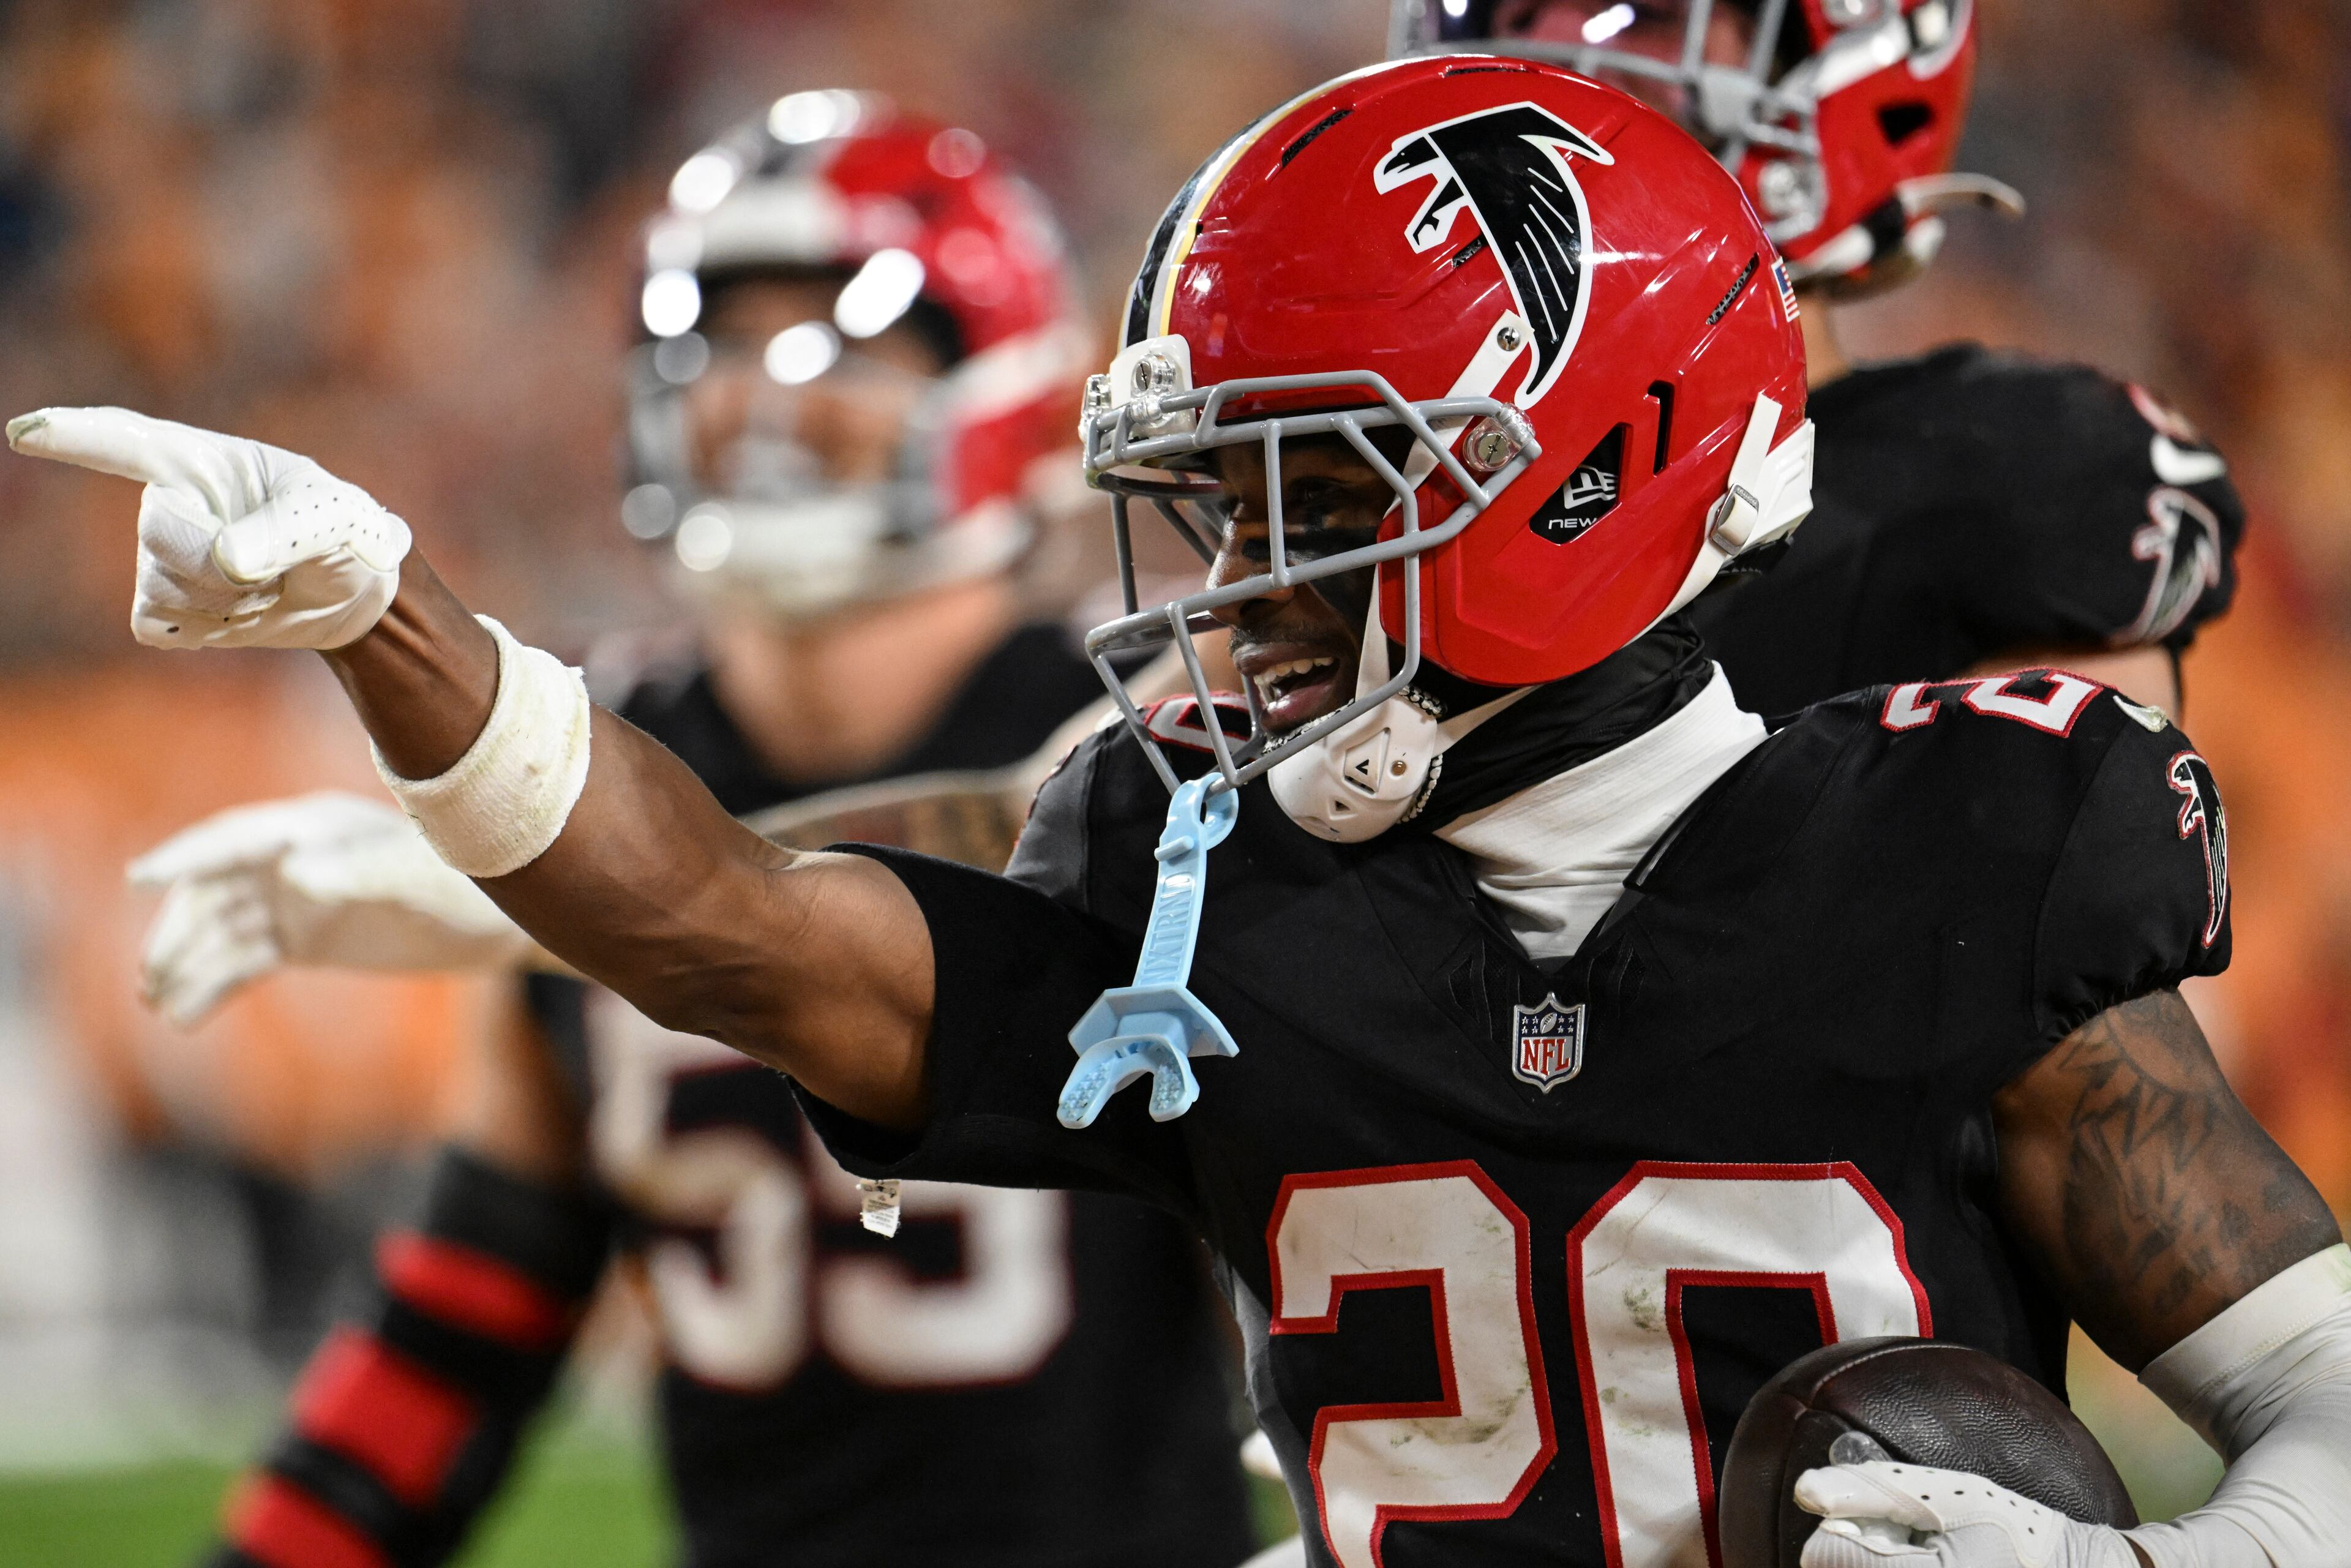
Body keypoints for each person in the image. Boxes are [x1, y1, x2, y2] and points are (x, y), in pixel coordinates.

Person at [18, 59, 2351, 1568]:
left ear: (1587, 478)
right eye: (1220, 504)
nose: (1238, 588)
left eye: (1317, 500)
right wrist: (390, 612)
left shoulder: (1960, 854)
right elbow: (735, 923)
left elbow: (2323, 1419)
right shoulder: (1201, 888)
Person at [121, 97, 1256, 1568]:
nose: (766, 397)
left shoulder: (1138, 723)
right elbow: (464, 1320)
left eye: (848, 341)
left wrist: (527, 851)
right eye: (720, 344)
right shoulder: (591, 750)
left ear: (1007, 388)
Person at [1392, 0, 2245, 722]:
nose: (1548, 50)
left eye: (1645, 11)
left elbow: (2065, 861)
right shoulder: (1363, 432)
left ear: (1846, 69)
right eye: (1516, 10)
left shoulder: (2002, 487)